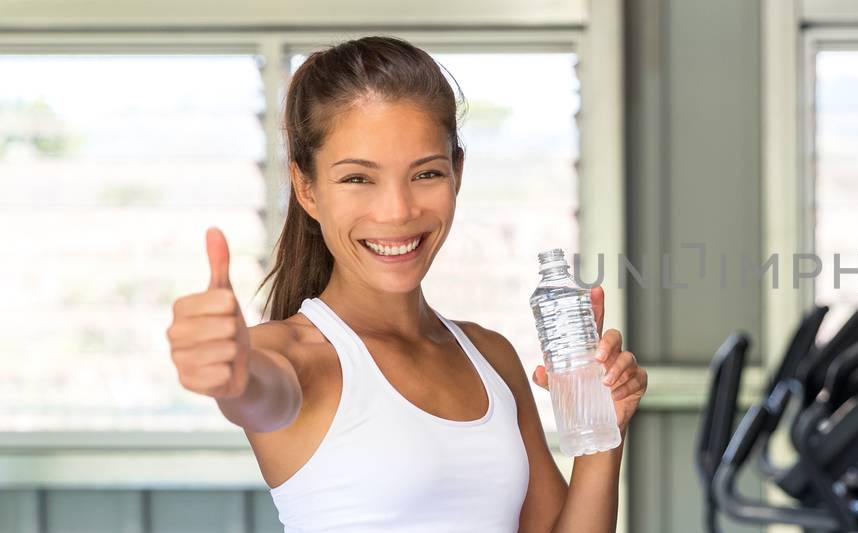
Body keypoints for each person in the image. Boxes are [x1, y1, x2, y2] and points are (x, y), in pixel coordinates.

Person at [163, 36, 646, 533]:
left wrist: (601, 435)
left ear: (457, 174)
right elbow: (258, 389)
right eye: (357, 179)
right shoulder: (292, 355)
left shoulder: (491, 357)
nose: (397, 211)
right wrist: (231, 373)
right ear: (306, 188)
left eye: (426, 173)